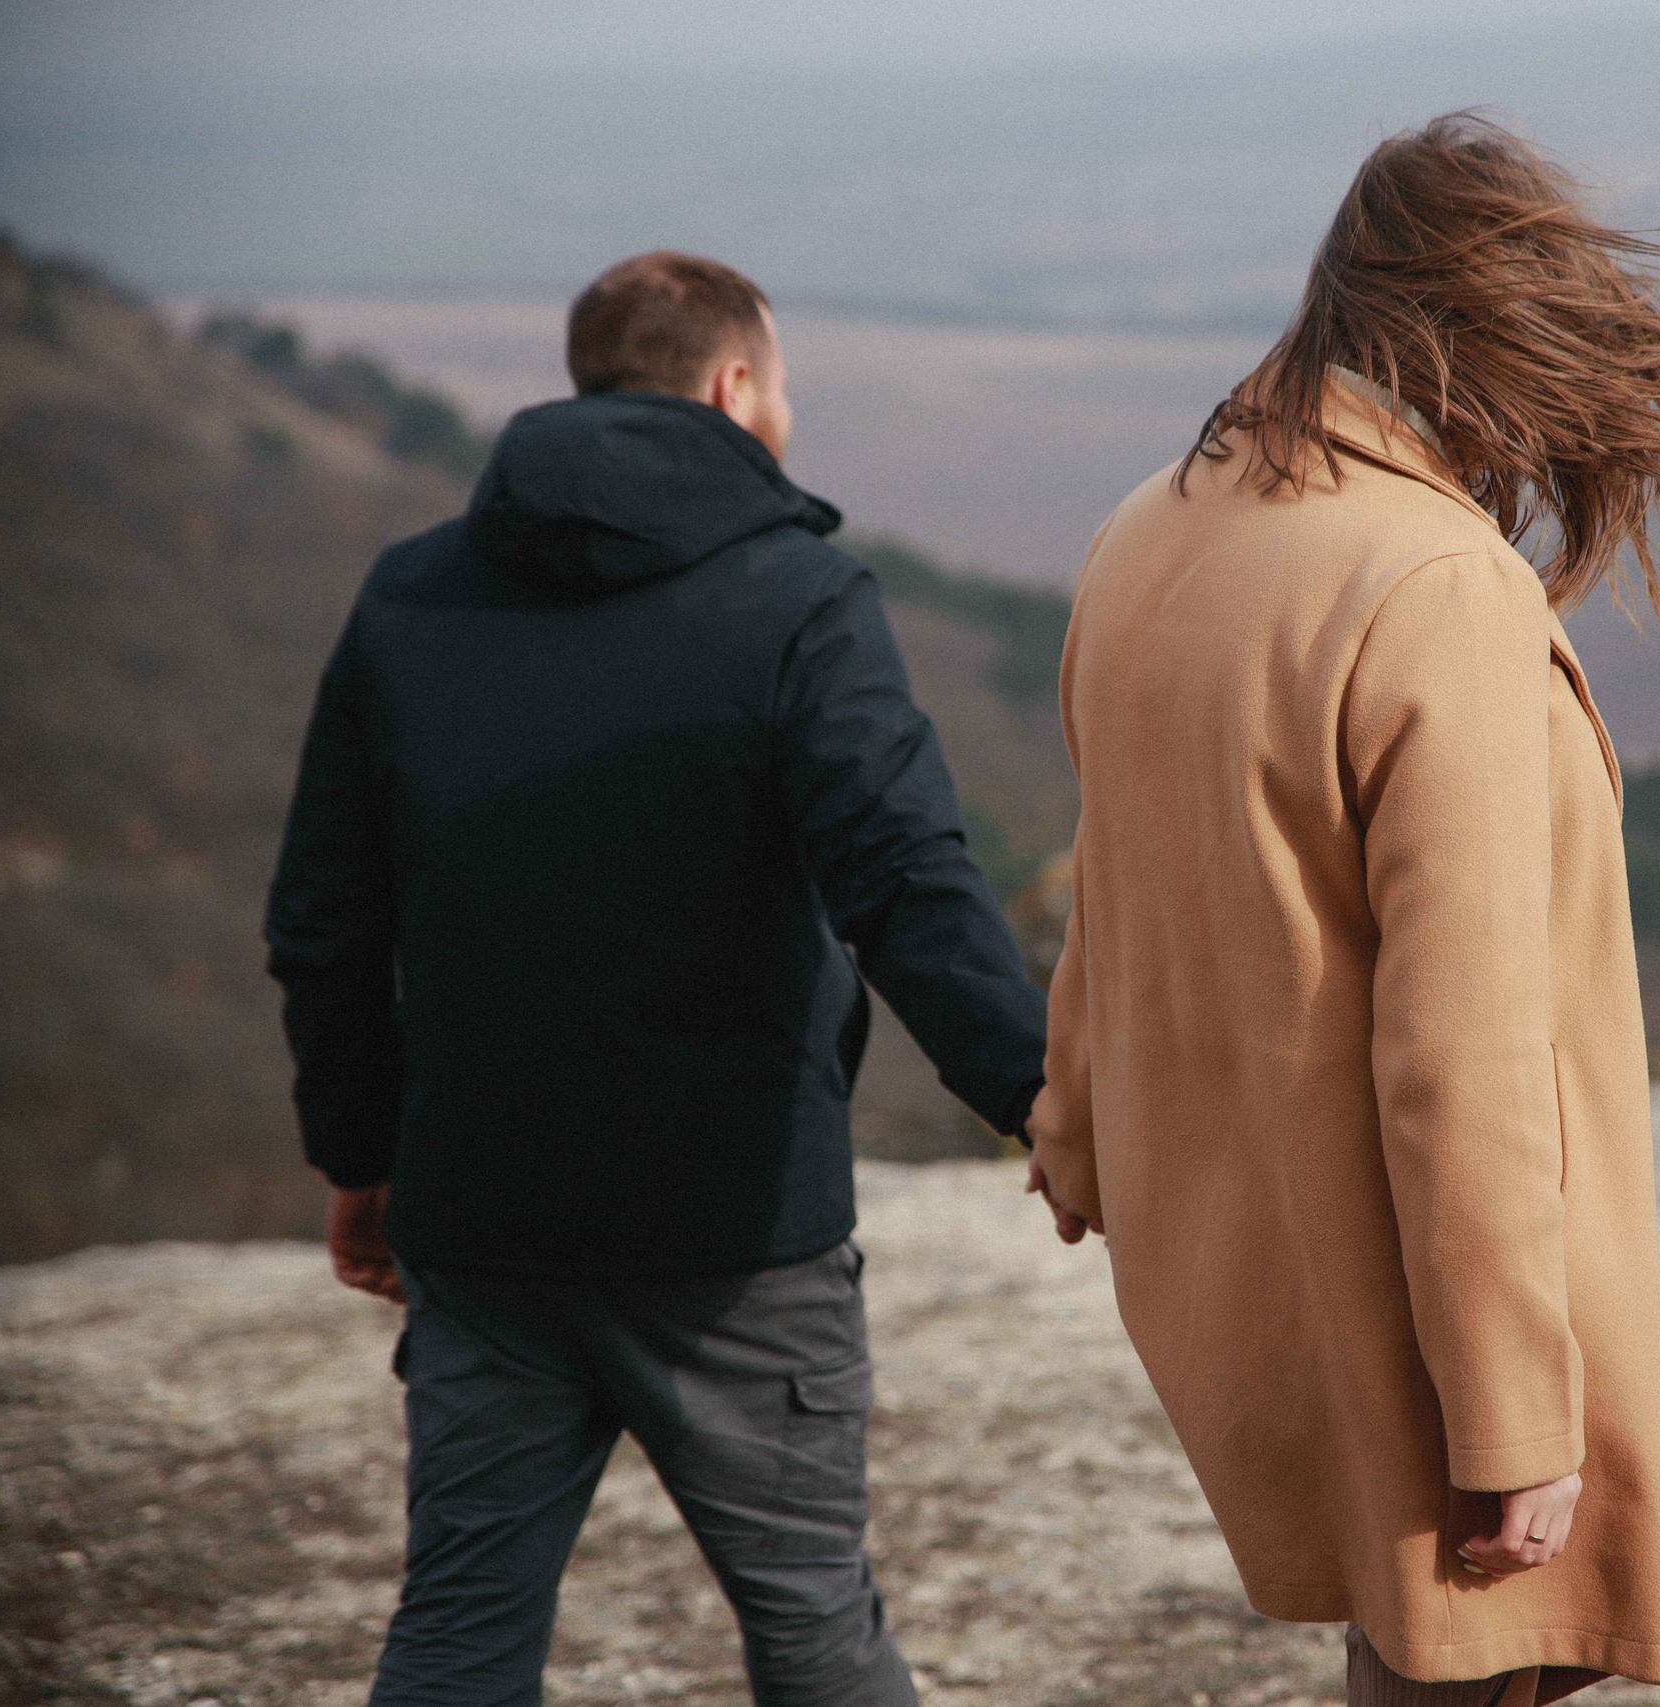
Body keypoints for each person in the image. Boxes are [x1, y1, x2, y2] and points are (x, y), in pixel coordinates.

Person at [1024, 115, 1660, 1704]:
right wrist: (1513, 1414)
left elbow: (1111, 875)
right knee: (1464, 1669)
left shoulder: (1148, 525)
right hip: (1423, 1322)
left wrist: (1073, 1126)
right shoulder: (1431, 585)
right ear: (1476, 330)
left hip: (1247, 1256)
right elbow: (1466, 1049)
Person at [265, 250, 1045, 1706]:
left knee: (455, 1638)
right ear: (736, 385)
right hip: (737, 1230)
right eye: (786, 382)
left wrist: (363, 1157)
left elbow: (322, 919)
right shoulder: (799, 598)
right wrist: (1045, 1097)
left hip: (483, 1219)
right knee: (816, 1634)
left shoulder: (410, 596)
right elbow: (905, 881)